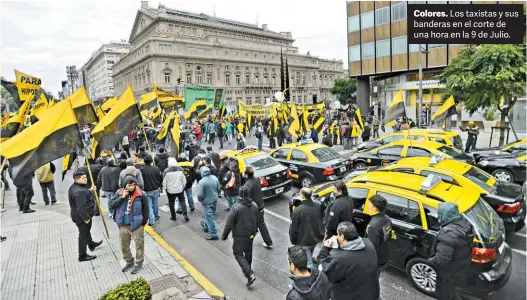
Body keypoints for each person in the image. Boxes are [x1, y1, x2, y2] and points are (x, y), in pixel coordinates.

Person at [318, 221, 379, 300]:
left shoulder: (339, 258)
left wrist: (325, 249)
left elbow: (322, 271)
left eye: (338, 234)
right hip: (371, 292)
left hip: (350, 296)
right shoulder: (368, 243)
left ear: (342, 236)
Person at [428, 202, 473, 300]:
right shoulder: (465, 223)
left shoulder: (447, 233)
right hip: (461, 267)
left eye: (440, 214)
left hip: (448, 272)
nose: (438, 216)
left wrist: (430, 261)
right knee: (453, 290)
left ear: (445, 215)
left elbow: (441, 260)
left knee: (444, 293)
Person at [221, 186, 260, 287]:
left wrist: (224, 235)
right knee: (248, 251)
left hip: (240, 235)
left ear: (239, 195)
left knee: (238, 253)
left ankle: (249, 273)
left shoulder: (236, 207)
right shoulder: (254, 205)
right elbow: (258, 220)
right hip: (251, 234)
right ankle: (248, 268)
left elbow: (229, 224)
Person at [110, 176, 149, 274]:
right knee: (123, 246)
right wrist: (122, 198)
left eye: (133, 185)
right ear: (125, 185)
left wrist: (143, 223)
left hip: (136, 225)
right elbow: (112, 205)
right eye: (129, 185)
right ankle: (129, 261)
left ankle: (139, 263)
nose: (131, 187)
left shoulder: (141, 194)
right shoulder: (119, 193)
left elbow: (146, 210)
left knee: (139, 245)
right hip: (123, 225)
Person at [69, 169, 103, 262]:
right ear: (77, 179)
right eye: (83, 178)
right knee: (83, 234)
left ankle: (91, 244)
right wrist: (86, 218)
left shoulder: (75, 187)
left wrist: (90, 190)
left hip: (79, 215)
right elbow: (81, 208)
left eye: (86, 177)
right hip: (82, 217)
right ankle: (82, 255)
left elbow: (84, 196)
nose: (86, 179)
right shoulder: (80, 191)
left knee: (86, 231)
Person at [289, 188, 323, 269]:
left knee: (309, 263)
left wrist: (293, 241)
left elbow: (294, 229)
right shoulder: (318, 206)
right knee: (309, 254)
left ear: (302, 196)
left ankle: (312, 277)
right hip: (315, 238)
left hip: (304, 240)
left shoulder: (298, 210)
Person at [244, 167, 273, 248]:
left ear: (246, 175)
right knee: (261, 224)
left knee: (249, 224)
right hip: (260, 205)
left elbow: (246, 198)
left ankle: (248, 240)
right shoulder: (256, 179)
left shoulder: (247, 185)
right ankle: (268, 242)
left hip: (253, 208)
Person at [365, 195, 392, 276]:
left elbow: (372, 248)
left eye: (370, 205)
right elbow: (389, 234)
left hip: (375, 261)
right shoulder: (387, 218)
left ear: (375, 209)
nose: (368, 206)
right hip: (384, 254)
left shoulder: (373, 226)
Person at [197, 166, 220, 240]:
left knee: (210, 218)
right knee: (210, 215)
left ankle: (214, 234)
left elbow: (200, 195)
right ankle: (206, 226)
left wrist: (200, 200)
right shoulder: (214, 178)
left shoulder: (202, 182)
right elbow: (218, 189)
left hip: (207, 202)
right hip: (214, 200)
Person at [141, 155, 162, 225]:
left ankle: (151, 221)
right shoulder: (156, 168)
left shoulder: (142, 169)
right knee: (155, 204)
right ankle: (156, 216)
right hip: (155, 189)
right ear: (151, 161)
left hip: (146, 190)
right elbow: (160, 178)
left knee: (149, 206)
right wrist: (159, 185)